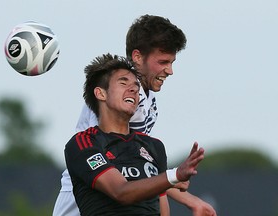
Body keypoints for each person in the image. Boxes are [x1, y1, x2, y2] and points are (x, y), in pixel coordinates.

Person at [53, 14, 216, 216]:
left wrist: (178, 188)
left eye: (172, 62)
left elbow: (141, 169)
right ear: (138, 57)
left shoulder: (145, 101)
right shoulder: (118, 98)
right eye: (163, 61)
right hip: (90, 195)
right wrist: (178, 184)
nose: (170, 70)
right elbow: (124, 174)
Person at [64, 53, 205, 216]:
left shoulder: (154, 147)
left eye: (136, 88)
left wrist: (170, 179)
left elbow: (162, 210)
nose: (133, 89)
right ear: (101, 93)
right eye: (123, 83)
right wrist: (174, 176)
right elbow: (121, 192)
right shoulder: (84, 143)